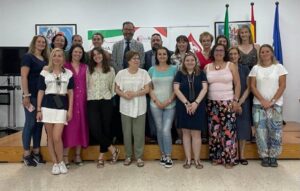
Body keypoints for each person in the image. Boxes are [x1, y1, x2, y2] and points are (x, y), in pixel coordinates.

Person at [36, 48, 74, 175]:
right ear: (51, 57)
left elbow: (70, 93)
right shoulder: (45, 72)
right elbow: (41, 91)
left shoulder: (68, 73)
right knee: (50, 137)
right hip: (47, 106)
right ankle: (55, 163)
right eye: (54, 55)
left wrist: (70, 109)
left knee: (57, 137)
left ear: (63, 58)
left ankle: (61, 161)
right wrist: (38, 109)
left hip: (61, 106)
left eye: (60, 56)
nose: (57, 58)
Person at [249, 44, 287, 167]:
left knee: (275, 131)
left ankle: (273, 156)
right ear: (259, 54)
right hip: (258, 105)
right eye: (262, 52)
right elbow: (252, 86)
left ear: (271, 53)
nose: (264, 54)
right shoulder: (255, 68)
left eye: (267, 51)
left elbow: (282, 86)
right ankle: (264, 156)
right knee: (260, 131)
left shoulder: (279, 67)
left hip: (275, 105)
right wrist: (263, 101)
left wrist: (272, 101)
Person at [205, 44, 241, 169]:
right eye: (216, 50)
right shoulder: (207, 67)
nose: (219, 52)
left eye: (221, 50)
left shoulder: (230, 65)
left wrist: (236, 101)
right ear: (213, 52)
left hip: (228, 102)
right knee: (214, 131)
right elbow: (205, 87)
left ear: (224, 52)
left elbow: (237, 84)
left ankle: (230, 158)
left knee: (228, 131)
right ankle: (216, 157)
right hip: (212, 103)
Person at [114, 51, 151, 167]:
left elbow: (147, 89)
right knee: (127, 133)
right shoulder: (121, 73)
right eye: (133, 58)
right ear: (128, 61)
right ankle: (128, 156)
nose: (136, 60)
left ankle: (139, 157)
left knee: (139, 133)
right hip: (125, 107)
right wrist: (123, 95)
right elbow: (116, 89)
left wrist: (135, 93)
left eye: (138, 58)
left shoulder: (144, 73)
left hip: (140, 106)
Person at [174, 52, 208, 169]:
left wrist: (196, 103)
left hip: (198, 107)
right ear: (184, 62)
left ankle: (197, 160)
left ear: (196, 61)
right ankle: (188, 160)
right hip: (183, 107)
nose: (190, 62)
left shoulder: (201, 73)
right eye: (187, 60)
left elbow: (204, 89)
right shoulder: (179, 74)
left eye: (192, 60)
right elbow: (176, 90)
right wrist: (187, 103)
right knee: (186, 134)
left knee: (196, 134)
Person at [87, 47, 119, 168]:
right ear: (92, 57)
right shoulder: (88, 69)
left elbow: (112, 86)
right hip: (92, 101)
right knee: (95, 128)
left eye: (99, 54)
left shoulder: (110, 70)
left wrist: (110, 98)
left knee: (106, 129)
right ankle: (112, 149)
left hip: (106, 101)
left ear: (103, 55)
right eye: (94, 55)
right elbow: (86, 85)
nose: (97, 56)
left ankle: (101, 156)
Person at [20, 35, 49, 166]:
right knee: (30, 124)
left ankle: (36, 152)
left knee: (39, 125)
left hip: (42, 96)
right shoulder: (28, 57)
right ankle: (26, 154)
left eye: (43, 42)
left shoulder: (45, 59)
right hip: (31, 96)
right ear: (34, 43)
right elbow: (24, 76)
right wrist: (26, 95)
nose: (41, 44)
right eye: (39, 42)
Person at [148, 47, 177, 168]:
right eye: (159, 54)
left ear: (167, 55)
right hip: (155, 104)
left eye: (164, 54)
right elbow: (149, 87)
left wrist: (169, 100)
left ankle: (169, 156)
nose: (162, 56)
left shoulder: (174, 69)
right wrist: (156, 100)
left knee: (166, 129)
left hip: (170, 104)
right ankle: (163, 154)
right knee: (159, 129)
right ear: (156, 56)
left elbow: (177, 88)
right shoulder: (151, 70)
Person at [62, 45, 88, 168]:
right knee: (69, 128)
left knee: (81, 127)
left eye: (80, 52)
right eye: (75, 51)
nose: (77, 54)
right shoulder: (65, 66)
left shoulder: (86, 67)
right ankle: (65, 156)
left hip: (83, 101)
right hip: (69, 101)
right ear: (71, 53)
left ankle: (78, 155)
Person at [229, 47, 251, 165]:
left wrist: (240, 102)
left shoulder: (245, 68)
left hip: (244, 101)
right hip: (229, 102)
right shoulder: (226, 68)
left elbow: (249, 87)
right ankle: (234, 154)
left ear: (239, 55)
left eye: (235, 54)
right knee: (232, 128)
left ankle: (242, 155)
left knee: (243, 127)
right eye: (231, 54)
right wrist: (234, 103)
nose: (233, 56)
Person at [237, 25, 260, 142]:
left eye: (246, 32)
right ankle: (247, 133)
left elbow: (260, 63)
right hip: (242, 78)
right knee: (246, 105)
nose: (244, 34)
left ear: (249, 34)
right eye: (242, 33)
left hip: (255, 78)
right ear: (239, 35)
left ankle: (255, 133)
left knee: (255, 106)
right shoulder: (236, 47)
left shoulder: (256, 46)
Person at [170, 35, 191, 145]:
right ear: (177, 44)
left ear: (187, 44)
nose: (182, 44)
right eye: (179, 42)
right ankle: (179, 137)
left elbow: (196, 70)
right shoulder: (173, 57)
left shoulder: (192, 55)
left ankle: (189, 137)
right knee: (178, 114)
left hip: (190, 88)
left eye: (184, 42)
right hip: (176, 88)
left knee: (189, 113)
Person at [144, 33, 163, 143]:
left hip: (165, 91)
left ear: (161, 42)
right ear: (151, 42)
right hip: (149, 92)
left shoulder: (169, 54)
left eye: (157, 40)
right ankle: (153, 136)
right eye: (153, 40)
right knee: (151, 116)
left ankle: (164, 136)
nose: (155, 42)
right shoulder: (145, 55)